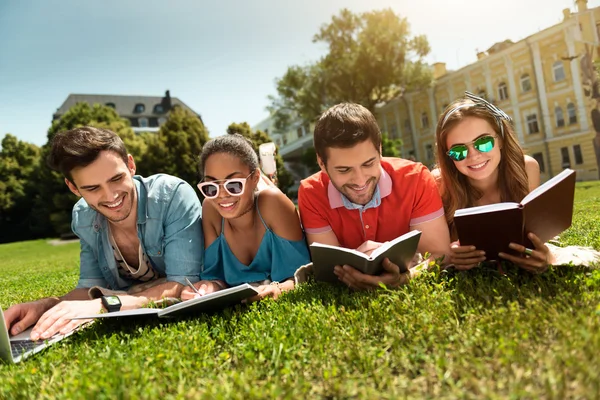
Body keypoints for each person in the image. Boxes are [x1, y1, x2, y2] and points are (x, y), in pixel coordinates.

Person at [4, 126, 203, 339]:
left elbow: (183, 284)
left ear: (131, 165)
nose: (111, 196)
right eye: (92, 188)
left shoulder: (172, 196)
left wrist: (105, 304)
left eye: (116, 179)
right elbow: (90, 286)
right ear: (73, 188)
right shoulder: (83, 216)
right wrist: (46, 306)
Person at [433, 91, 599, 272]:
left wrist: (542, 255)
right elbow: (438, 249)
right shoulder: (439, 183)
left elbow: (535, 235)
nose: (474, 155)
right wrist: (453, 255)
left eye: (484, 142)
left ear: (501, 140)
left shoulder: (526, 168)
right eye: (459, 151)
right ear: (449, 156)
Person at [297, 103, 451, 291]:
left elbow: (440, 255)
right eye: (344, 170)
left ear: (379, 149)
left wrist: (406, 278)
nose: (360, 180)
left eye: (369, 163)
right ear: (322, 163)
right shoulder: (311, 192)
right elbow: (330, 271)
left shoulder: (416, 178)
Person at [181, 134, 310, 302]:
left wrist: (279, 289)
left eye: (234, 184)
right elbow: (217, 278)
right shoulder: (210, 209)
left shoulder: (272, 203)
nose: (221, 195)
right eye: (211, 187)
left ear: (255, 178)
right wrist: (206, 288)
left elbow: (304, 274)